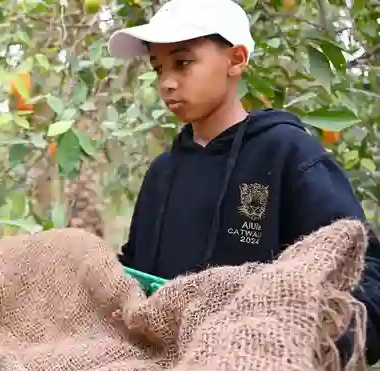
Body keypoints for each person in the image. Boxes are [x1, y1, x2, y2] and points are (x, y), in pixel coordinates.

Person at [107, 0, 380, 364]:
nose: (167, 83)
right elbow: (137, 276)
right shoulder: (162, 173)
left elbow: (364, 270)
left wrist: (298, 345)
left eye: (183, 63)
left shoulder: (286, 153)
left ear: (236, 60)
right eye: (159, 68)